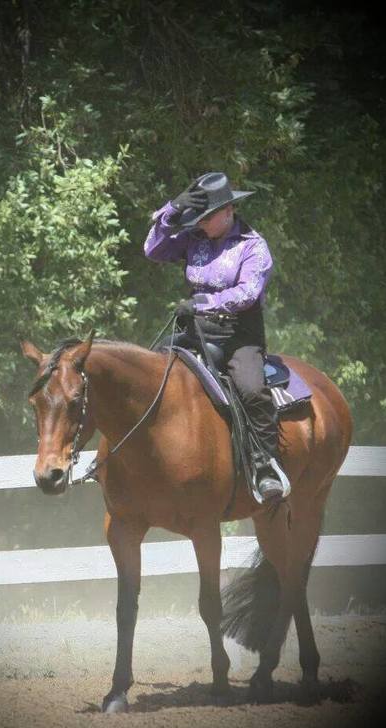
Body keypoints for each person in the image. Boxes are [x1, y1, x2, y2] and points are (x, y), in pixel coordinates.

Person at [143, 171, 284, 501]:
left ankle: (265, 464)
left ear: (228, 211)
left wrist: (202, 303)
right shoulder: (195, 237)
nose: (201, 222)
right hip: (193, 331)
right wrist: (171, 212)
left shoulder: (253, 246)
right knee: (151, 376)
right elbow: (152, 250)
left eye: (206, 217)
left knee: (251, 389)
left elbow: (248, 293)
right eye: (198, 216)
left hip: (237, 336)